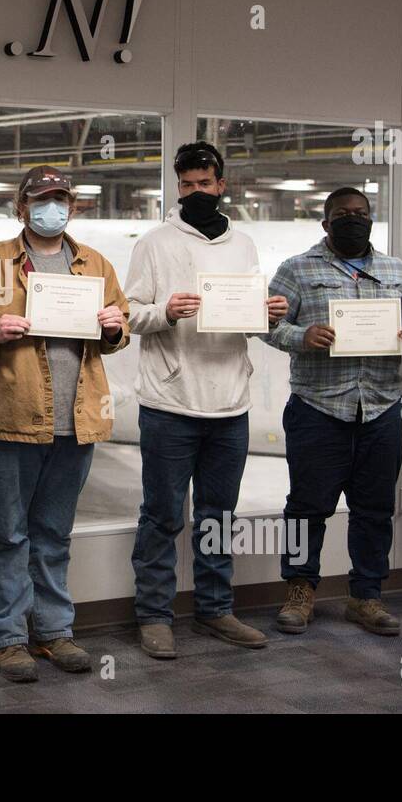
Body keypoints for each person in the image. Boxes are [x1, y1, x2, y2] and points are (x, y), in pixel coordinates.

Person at [0, 165, 129, 682]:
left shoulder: (94, 263)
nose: (51, 207)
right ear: (21, 206)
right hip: (10, 417)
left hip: (76, 420)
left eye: (61, 199)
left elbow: (119, 329)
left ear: (72, 207)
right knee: (8, 533)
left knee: (54, 532)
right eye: (41, 198)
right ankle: (10, 639)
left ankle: (54, 631)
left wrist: (114, 327)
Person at [124, 142, 287, 658]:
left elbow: (249, 318)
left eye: (205, 184)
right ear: (179, 186)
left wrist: (270, 315)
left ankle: (216, 608)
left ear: (221, 185)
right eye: (187, 185)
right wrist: (165, 311)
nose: (196, 192)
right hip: (170, 405)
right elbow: (128, 314)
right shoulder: (154, 243)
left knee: (220, 515)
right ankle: (154, 615)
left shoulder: (243, 245)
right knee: (162, 515)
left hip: (229, 407)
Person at [266, 187, 402, 636]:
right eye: (341, 214)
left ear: (371, 219)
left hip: (380, 409)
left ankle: (366, 596)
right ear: (325, 223)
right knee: (307, 507)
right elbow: (264, 323)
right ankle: (300, 591)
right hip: (318, 408)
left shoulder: (396, 270)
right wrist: (301, 336)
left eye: (360, 213)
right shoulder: (297, 269)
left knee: (374, 508)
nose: (352, 219)